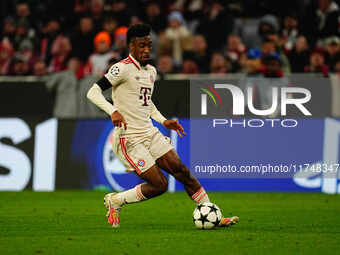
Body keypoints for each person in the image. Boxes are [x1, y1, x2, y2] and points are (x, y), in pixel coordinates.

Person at [87, 24, 239, 228]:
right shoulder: (121, 68)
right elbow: (93, 92)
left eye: (149, 45)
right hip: (129, 138)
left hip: (150, 132)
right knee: (160, 185)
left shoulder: (151, 71)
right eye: (142, 45)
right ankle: (116, 201)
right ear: (131, 45)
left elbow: (146, 102)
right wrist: (112, 110)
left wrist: (163, 120)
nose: (147, 50)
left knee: (182, 171)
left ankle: (212, 214)